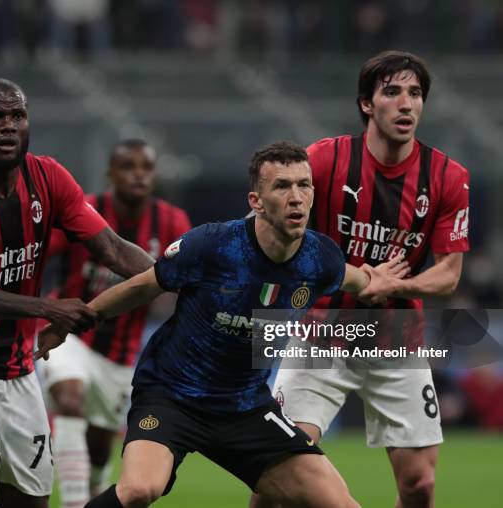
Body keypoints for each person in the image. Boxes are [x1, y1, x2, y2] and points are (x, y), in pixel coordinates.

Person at [37, 141, 409, 508]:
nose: (296, 197)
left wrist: (379, 279)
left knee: (341, 503)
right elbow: (143, 286)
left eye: (304, 184)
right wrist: (74, 322)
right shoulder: (213, 245)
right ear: (256, 202)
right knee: (139, 490)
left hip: (245, 408)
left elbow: (357, 280)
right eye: (282, 186)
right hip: (172, 396)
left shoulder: (320, 258)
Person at [0, 78, 154, 508]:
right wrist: (46, 309)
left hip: (17, 367)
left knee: (29, 501)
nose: (8, 126)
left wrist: (176, 276)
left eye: (17, 116)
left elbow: (112, 249)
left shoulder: (48, 177)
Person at [252, 51, 470, 508]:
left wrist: (393, 286)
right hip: (321, 334)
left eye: (415, 94)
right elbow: (281, 235)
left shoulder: (449, 177)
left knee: (420, 485)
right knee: (277, 472)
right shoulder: (325, 160)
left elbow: (449, 275)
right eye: (392, 92)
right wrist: (351, 279)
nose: (406, 104)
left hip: (396, 338)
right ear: (367, 104)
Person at [41, 139, 191, 507]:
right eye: (128, 167)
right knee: (69, 398)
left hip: (122, 354)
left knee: (100, 446)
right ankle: (75, 502)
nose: (138, 174)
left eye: (146, 168)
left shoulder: (172, 221)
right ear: (111, 173)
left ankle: (94, 487)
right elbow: (40, 253)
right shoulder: (85, 210)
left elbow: (187, 280)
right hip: (72, 336)